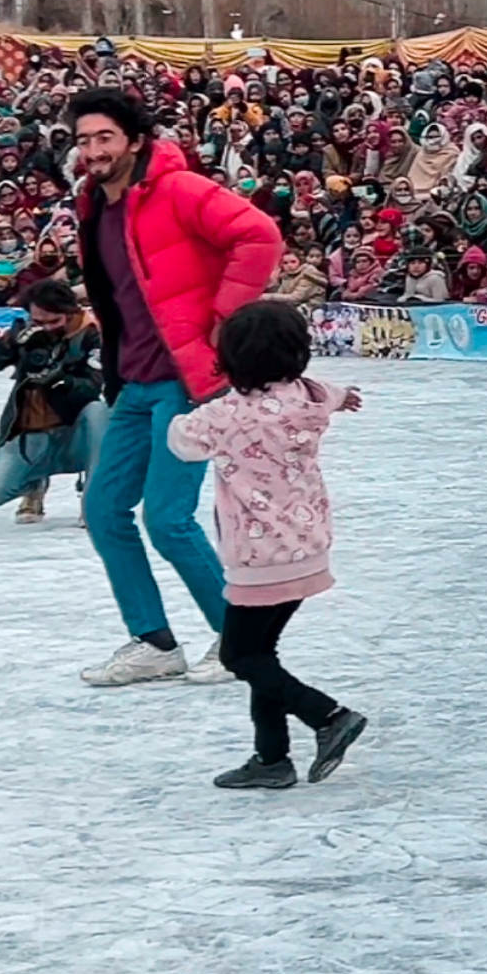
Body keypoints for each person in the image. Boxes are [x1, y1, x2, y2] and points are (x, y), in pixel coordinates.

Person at [71, 88, 283, 687]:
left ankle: (237, 641)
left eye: (105, 137)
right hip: (133, 381)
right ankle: (154, 641)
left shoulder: (180, 189)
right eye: (84, 140)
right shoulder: (93, 204)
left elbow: (260, 237)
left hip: (185, 381)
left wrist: (223, 326)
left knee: (167, 518)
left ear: (134, 140)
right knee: (105, 510)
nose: (93, 150)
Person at [166, 300, 368, 788]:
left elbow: (181, 440)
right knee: (263, 653)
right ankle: (271, 759)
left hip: (259, 558)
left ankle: (327, 716)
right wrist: (346, 397)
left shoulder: (229, 414)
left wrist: (178, 404)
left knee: (241, 656)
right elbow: (333, 394)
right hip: (306, 545)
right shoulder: (309, 395)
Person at [0, 279, 109, 524]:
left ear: (70, 312)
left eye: (53, 321)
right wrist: (8, 344)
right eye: (38, 321)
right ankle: (34, 484)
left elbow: (91, 388)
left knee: (98, 411)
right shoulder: (26, 333)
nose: (46, 328)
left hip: (75, 432)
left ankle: (94, 498)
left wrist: (56, 379)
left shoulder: (90, 335)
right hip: (34, 431)